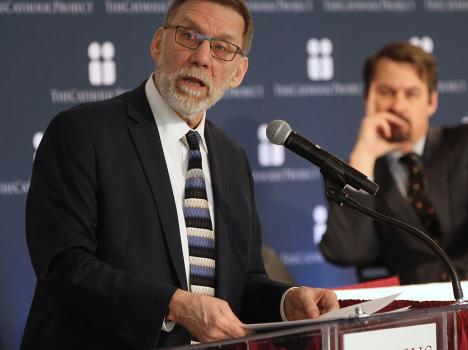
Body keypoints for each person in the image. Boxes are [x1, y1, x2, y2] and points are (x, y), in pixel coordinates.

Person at [22, 0, 338, 349]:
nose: (202, 57)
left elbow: (242, 282)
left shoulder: (232, 158)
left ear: (238, 73)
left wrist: (285, 301)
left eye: (222, 48)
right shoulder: (82, 132)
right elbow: (65, 266)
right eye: (189, 36)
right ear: (159, 42)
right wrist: (175, 306)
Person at [319, 41, 468, 285]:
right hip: (427, 309)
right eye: (386, 92)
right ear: (368, 97)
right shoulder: (355, 169)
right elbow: (349, 252)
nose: (398, 106)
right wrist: (363, 157)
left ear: (432, 102)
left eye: (411, 93)